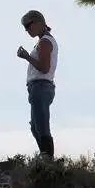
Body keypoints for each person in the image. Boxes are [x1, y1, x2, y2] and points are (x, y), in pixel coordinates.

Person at [17, 10, 58, 158]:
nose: (27, 30)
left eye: (28, 25)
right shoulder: (43, 41)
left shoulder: (45, 41)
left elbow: (44, 68)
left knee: (41, 126)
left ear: (39, 22)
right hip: (38, 87)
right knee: (36, 127)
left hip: (41, 86)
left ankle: (48, 160)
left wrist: (27, 57)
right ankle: (45, 158)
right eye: (25, 27)